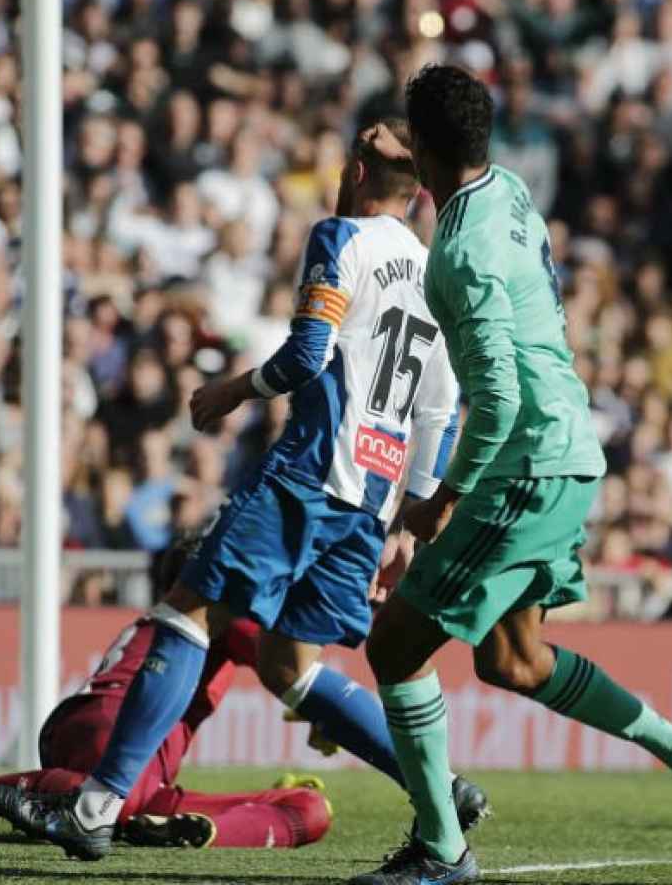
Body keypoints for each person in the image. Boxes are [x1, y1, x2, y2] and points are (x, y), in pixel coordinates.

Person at [32, 121, 486, 861]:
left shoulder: (342, 236)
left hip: (308, 475)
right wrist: (409, 524)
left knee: (187, 614)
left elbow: (309, 354)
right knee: (287, 665)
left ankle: (94, 806)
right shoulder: (432, 273)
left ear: (360, 173)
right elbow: (440, 409)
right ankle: (440, 786)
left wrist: (233, 390)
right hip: (371, 502)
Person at [348, 65, 672, 885]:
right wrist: (413, 157)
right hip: (573, 451)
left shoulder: (456, 254)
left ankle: (442, 849)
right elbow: (453, 173)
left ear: (422, 146)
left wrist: (441, 500)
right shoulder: (510, 192)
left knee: (394, 645)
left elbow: (496, 398)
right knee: (513, 662)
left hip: (524, 462)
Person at [0, 594, 331, 849]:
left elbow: (275, 663)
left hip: (146, 778)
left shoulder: (196, 615)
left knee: (311, 811)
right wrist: (320, 709)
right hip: (107, 725)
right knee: (117, 800)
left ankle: (190, 832)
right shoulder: (213, 607)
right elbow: (285, 665)